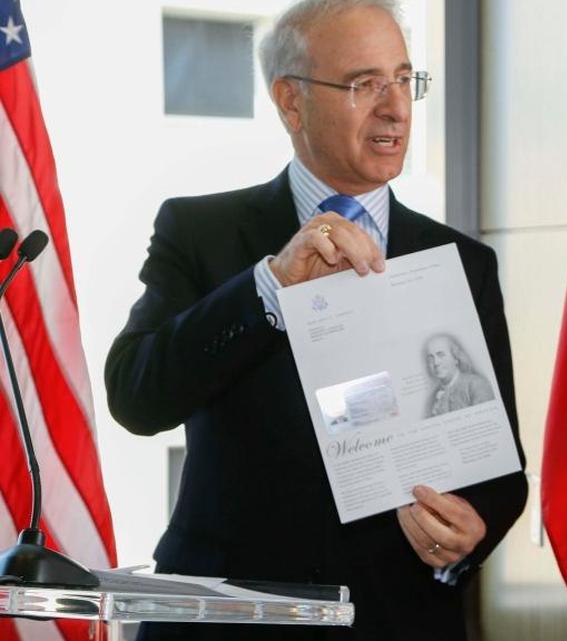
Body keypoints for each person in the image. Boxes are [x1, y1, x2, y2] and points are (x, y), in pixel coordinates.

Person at [104, 1, 527, 639]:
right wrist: (271, 286)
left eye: (405, 79)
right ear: (291, 101)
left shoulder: (462, 263)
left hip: (396, 617)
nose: (396, 107)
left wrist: (473, 529)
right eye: (365, 84)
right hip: (226, 619)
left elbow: (500, 469)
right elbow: (136, 396)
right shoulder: (201, 233)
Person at [425, 334, 495, 416]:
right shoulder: (431, 398)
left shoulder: (477, 385)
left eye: (441, 355)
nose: (436, 363)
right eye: (431, 358)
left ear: (455, 358)